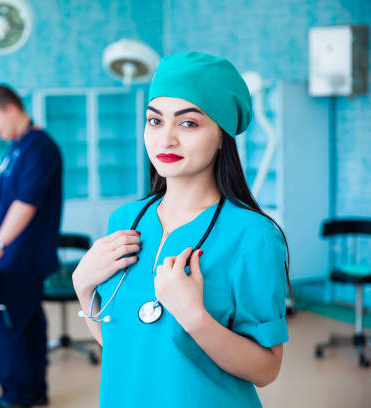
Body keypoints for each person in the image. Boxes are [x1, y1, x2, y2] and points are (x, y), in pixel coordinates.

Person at [73, 52, 291, 407]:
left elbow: (266, 370)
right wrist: (83, 286)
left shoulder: (253, 236)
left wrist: (194, 317)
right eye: (154, 121)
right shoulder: (125, 221)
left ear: (222, 135)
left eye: (188, 123)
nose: (166, 140)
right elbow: (124, 343)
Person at [0, 84, 63, 408]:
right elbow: (11, 198)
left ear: (10, 109)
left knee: (6, 325)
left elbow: (27, 204)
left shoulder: (38, 147)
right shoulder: (16, 148)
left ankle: (14, 399)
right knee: (29, 323)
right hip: (19, 254)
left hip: (22, 255)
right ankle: (34, 392)